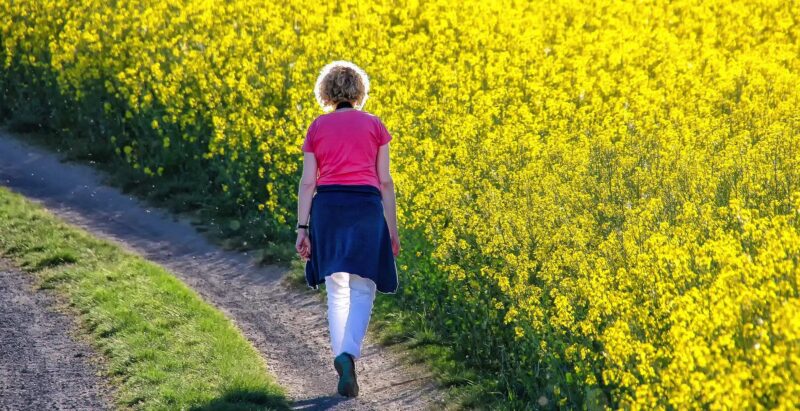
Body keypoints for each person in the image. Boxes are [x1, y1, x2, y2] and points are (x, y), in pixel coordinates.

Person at [295, 60, 401, 398]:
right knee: (363, 288)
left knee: (335, 286)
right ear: (359, 92)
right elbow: (385, 181)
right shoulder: (374, 125)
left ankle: (342, 358)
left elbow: (308, 182)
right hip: (366, 209)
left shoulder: (317, 127)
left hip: (329, 209)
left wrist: (302, 227)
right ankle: (347, 355)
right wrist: (392, 229)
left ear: (326, 93)